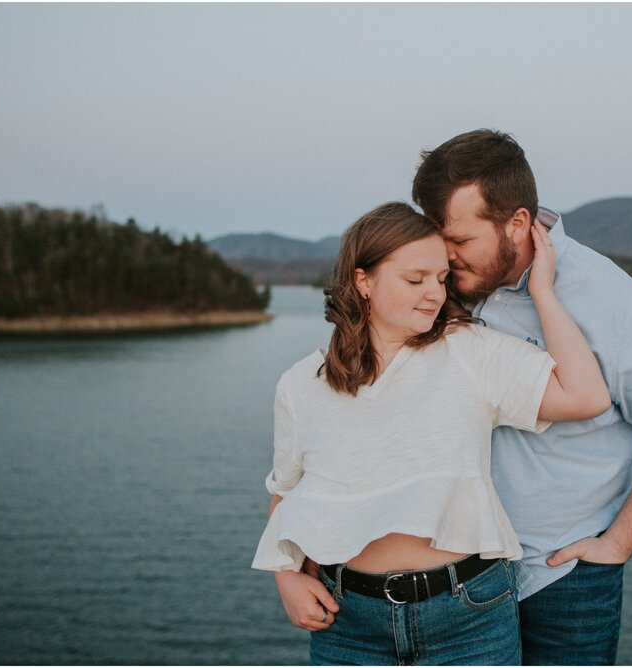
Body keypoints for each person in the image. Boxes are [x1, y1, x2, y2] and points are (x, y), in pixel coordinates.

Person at [251, 202, 610, 665]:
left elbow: (587, 396)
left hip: (469, 615)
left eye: (441, 279)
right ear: (363, 281)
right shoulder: (303, 383)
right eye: (414, 279)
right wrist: (286, 576)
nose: (434, 294)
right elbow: (286, 495)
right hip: (349, 624)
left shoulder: (469, 352)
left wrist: (543, 291)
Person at [412, 129, 632, 665]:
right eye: (440, 239)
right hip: (454, 575)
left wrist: (617, 544)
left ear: (518, 223)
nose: (447, 255)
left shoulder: (610, 298)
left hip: (561, 580)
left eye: (460, 241)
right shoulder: (439, 285)